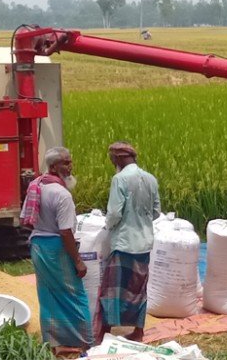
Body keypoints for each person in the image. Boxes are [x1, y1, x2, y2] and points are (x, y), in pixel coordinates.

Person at [20, 147, 92, 356]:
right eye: (65, 163)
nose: (70, 167)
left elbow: (28, 221)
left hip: (39, 247)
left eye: (70, 162)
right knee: (75, 295)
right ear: (53, 167)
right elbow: (66, 232)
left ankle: (53, 343)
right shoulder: (62, 194)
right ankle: (86, 342)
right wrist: (78, 260)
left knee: (48, 295)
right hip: (57, 248)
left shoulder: (36, 186)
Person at [94, 142, 161, 343]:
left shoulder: (119, 179)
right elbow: (156, 211)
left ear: (119, 159)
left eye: (113, 159)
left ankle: (105, 331)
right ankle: (138, 332)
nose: (113, 163)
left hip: (123, 242)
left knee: (112, 288)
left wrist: (108, 226)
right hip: (144, 242)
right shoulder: (150, 178)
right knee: (138, 289)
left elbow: (114, 212)